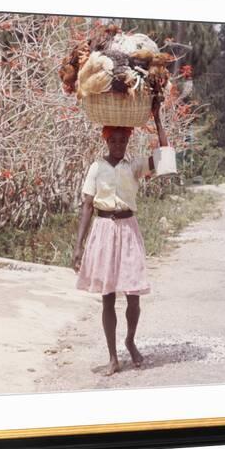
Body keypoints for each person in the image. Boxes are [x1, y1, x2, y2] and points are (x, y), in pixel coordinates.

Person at [72, 98, 168, 376]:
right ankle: (113, 356)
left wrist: (158, 118)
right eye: (112, 140)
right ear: (106, 142)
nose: (117, 145)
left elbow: (164, 159)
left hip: (128, 231)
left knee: (134, 296)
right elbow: (88, 206)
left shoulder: (134, 167)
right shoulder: (96, 168)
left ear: (127, 142)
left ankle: (130, 340)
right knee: (107, 297)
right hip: (103, 231)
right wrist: (78, 247)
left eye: (121, 140)